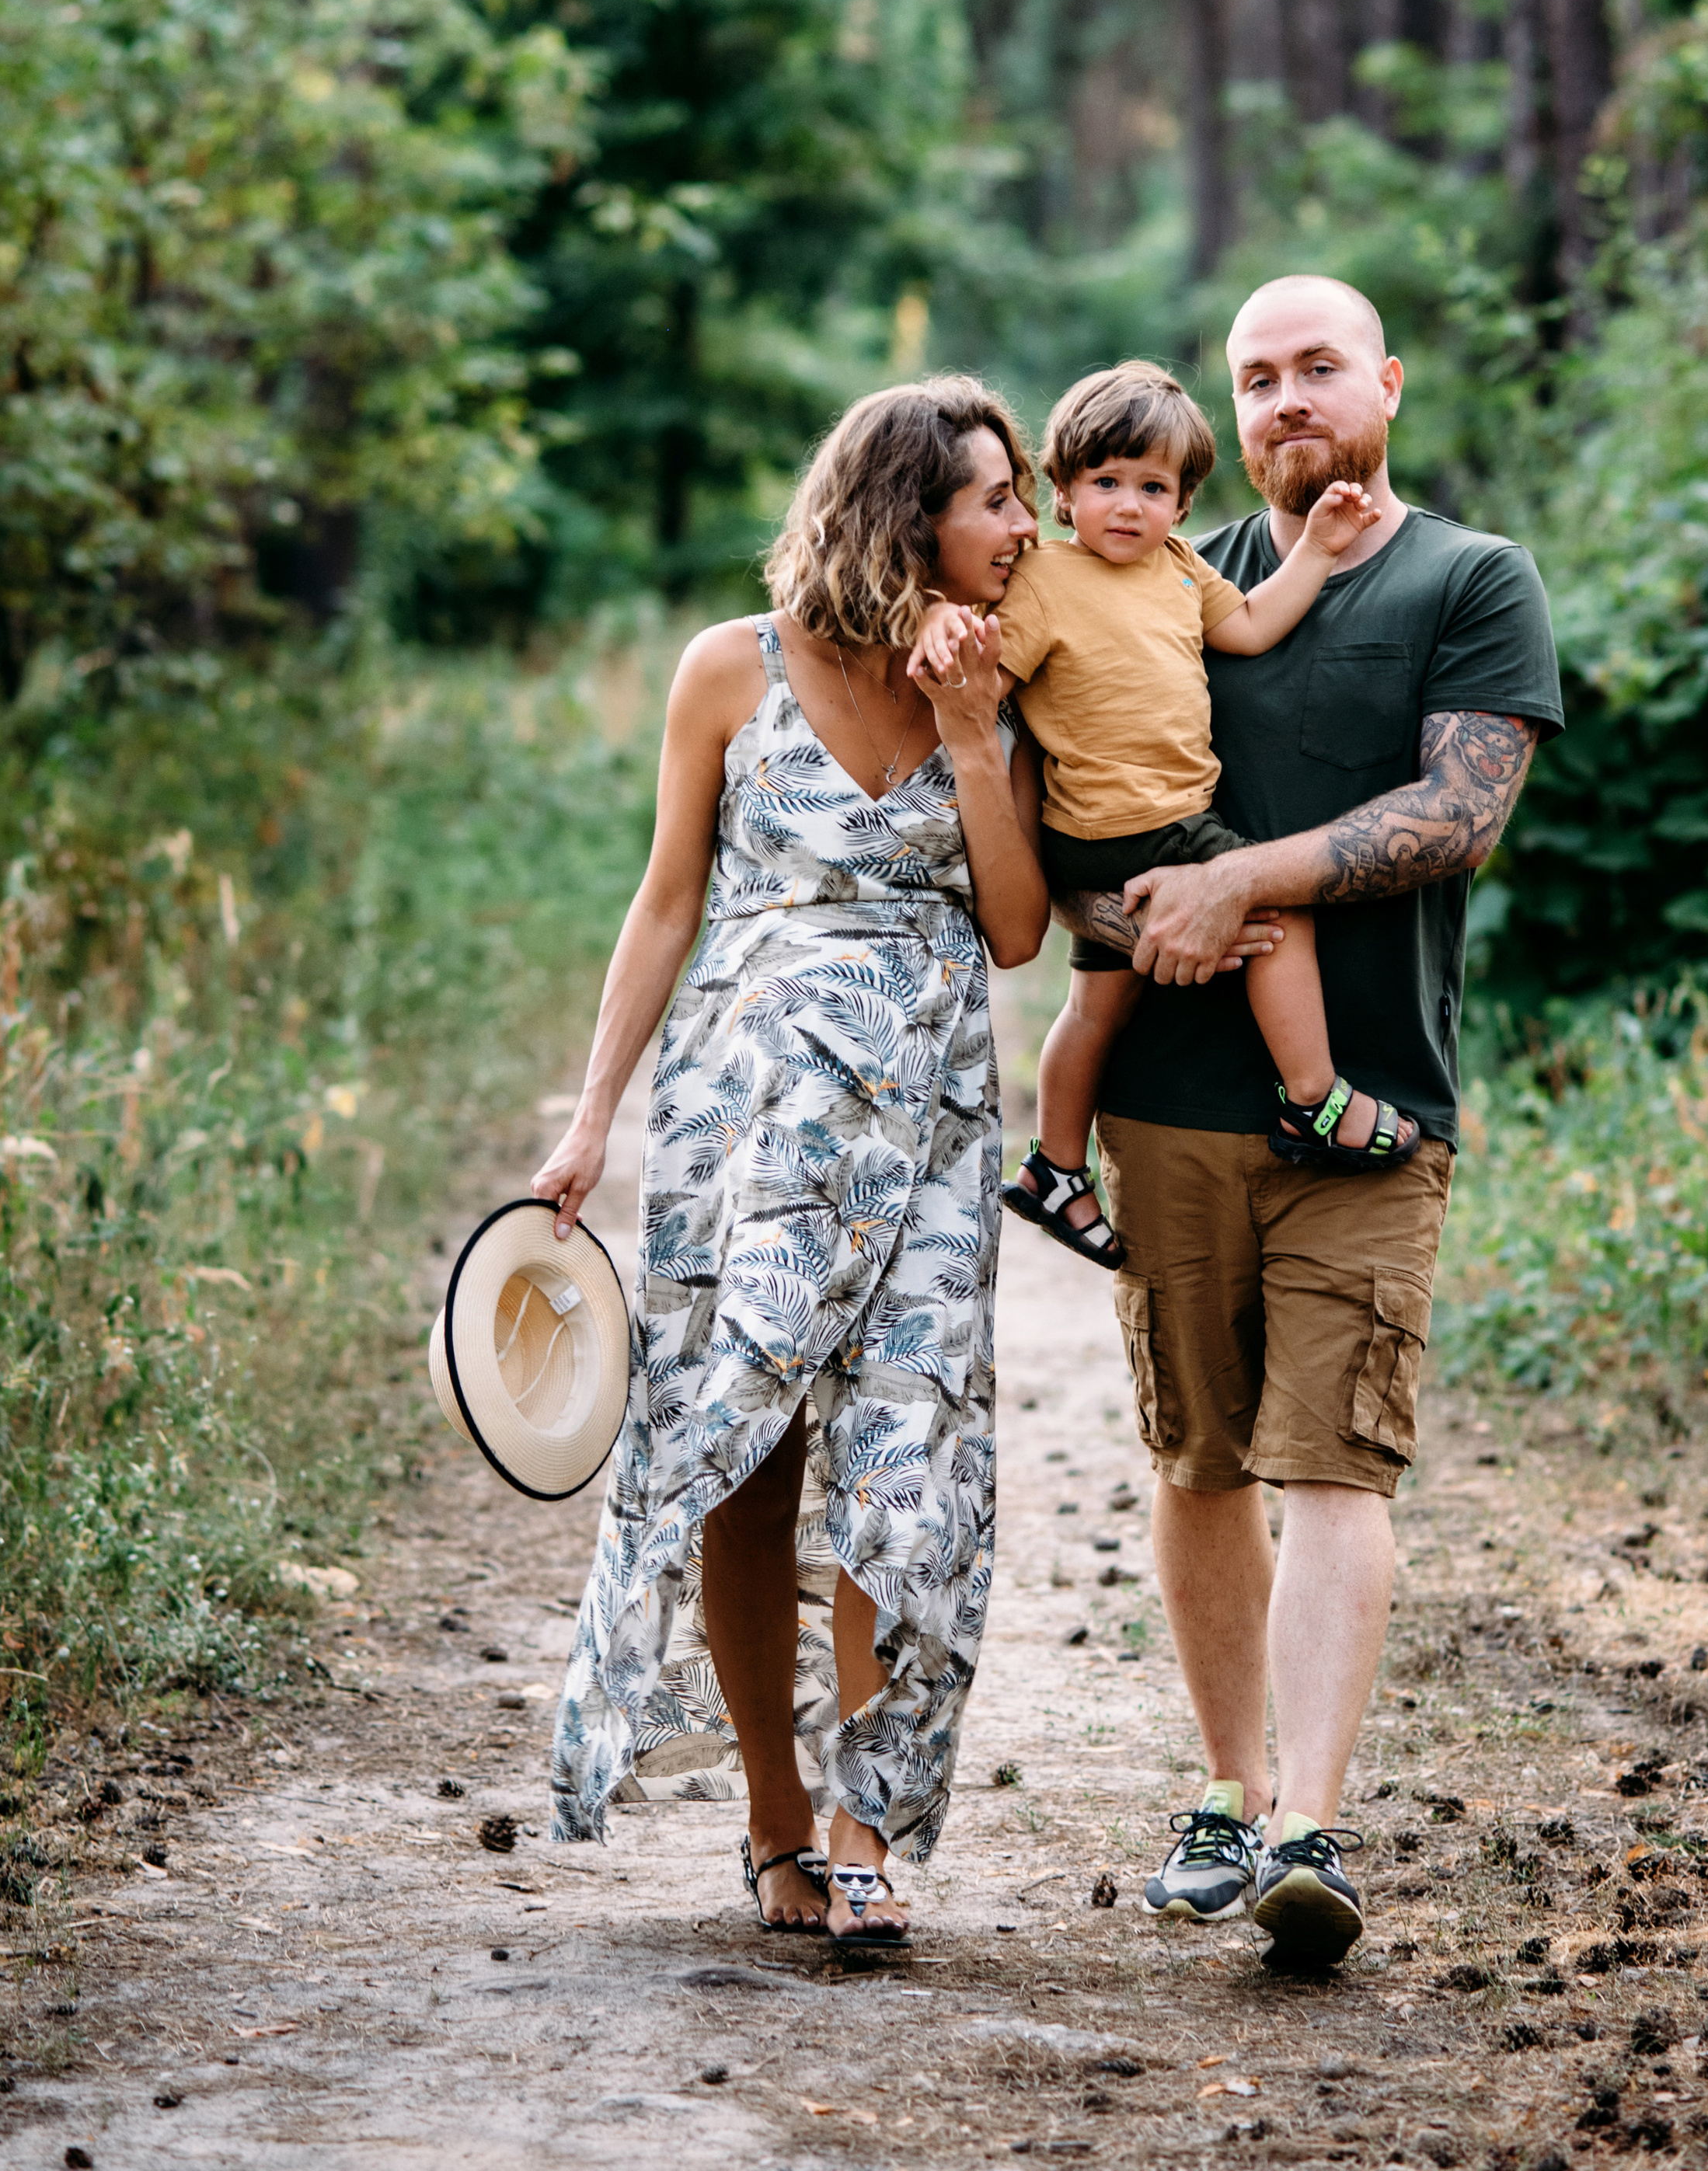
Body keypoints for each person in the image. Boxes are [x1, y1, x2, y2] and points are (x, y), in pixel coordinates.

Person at [528, 378, 1049, 1945]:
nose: (1021, 525)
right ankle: (771, 1823)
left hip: (929, 1139)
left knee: (906, 1467)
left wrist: (967, 737)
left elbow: (1018, 930)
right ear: (908, 519)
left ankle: (863, 1826)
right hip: (741, 1130)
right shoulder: (726, 672)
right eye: (992, 500)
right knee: (743, 1473)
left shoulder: (1011, 688)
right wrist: (591, 1109)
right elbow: (665, 903)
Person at [1082, 276, 1563, 1970]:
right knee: (1200, 1454)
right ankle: (1222, 1792)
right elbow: (1086, 788)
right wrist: (1136, 908)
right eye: (1255, 377)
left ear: (1386, 385)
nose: (1287, 400)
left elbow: (1453, 815)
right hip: (1165, 1099)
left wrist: (1239, 883)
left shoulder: (1467, 579)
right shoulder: (1166, 573)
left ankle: (1307, 1825)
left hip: (1370, 1111)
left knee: (1332, 1458)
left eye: (1316, 370)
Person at [914, 360, 1421, 1279]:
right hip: (1132, 822)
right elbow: (991, 679)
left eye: (1152, 488)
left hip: (1139, 825)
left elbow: (1255, 627)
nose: (1127, 506)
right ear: (1059, 491)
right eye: (1104, 482)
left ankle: (1055, 1166)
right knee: (1274, 911)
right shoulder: (1040, 578)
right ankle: (1311, 1095)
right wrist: (939, 629)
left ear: (1183, 506)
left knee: (1094, 1004)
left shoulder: (1183, 574)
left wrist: (1316, 545)